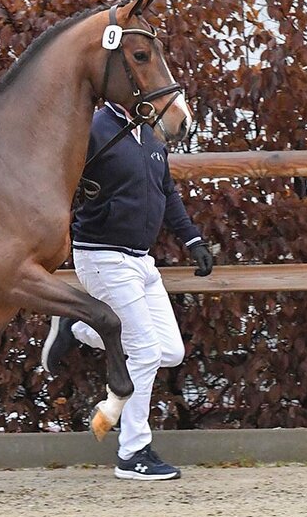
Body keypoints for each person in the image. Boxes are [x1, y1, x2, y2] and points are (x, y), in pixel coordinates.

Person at [43, 100, 213, 480]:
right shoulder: (95, 127)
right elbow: (57, 178)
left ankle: (79, 326)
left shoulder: (152, 136)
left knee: (170, 351)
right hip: (103, 256)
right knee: (145, 351)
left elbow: (167, 192)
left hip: (142, 261)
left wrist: (193, 240)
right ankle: (133, 452)